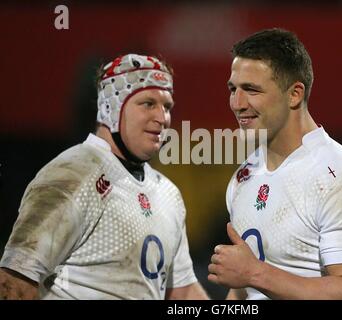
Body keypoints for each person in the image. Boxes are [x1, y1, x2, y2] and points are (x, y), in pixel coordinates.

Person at [0, 53, 208, 300]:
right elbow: (14, 283)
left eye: (167, 106)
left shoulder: (168, 193)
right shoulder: (72, 175)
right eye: (148, 104)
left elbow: (182, 293)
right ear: (112, 107)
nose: (162, 118)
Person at [208, 29, 342, 300]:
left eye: (251, 90)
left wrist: (255, 273)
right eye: (233, 89)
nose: (237, 103)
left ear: (294, 94)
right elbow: (244, 287)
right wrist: (246, 278)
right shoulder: (244, 176)